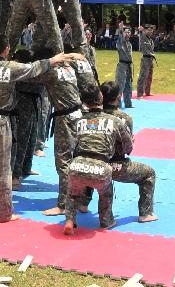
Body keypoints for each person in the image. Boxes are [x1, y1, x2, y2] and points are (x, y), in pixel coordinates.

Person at [0, 33, 70, 222]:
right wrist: (53, 60)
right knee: (3, 168)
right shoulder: (10, 69)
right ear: (6, 50)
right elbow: (32, 68)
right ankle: (5, 212)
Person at [63, 82, 133, 235]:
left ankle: (70, 219)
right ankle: (106, 221)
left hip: (77, 165)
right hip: (101, 166)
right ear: (101, 97)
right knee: (106, 192)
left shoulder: (78, 121)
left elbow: (71, 146)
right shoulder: (115, 121)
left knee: (72, 192)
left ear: (84, 102)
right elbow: (128, 147)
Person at [33, 48, 88, 216]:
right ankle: (81, 200)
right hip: (79, 114)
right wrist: (70, 55)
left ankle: (64, 205)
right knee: (78, 157)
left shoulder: (51, 73)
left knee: (63, 161)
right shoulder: (69, 68)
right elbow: (79, 57)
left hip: (66, 118)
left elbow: (30, 73)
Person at [100, 80, 158, 223]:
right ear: (119, 96)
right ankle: (146, 213)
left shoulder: (93, 115)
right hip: (116, 165)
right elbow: (128, 149)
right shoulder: (124, 118)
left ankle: (83, 203)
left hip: (94, 164)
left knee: (90, 157)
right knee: (149, 173)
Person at [11, 49, 45, 189]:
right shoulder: (20, 73)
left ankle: (26, 167)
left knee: (31, 139)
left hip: (33, 106)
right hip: (22, 106)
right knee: (21, 141)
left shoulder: (31, 70)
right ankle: (15, 174)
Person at [115, 26, 134, 108]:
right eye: (126, 32)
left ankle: (128, 104)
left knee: (128, 86)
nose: (127, 34)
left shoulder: (129, 44)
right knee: (120, 86)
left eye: (129, 32)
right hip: (122, 66)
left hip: (129, 66)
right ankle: (117, 105)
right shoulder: (120, 42)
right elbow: (120, 38)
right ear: (123, 34)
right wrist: (120, 30)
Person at [136, 25, 156, 98]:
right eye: (148, 30)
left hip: (151, 59)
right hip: (145, 59)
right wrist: (141, 30)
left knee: (149, 77)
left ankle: (147, 92)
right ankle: (140, 94)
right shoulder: (143, 37)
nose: (150, 31)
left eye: (151, 30)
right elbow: (141, 33)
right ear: (145, 31)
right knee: (143, 77)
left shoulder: (150, 40)